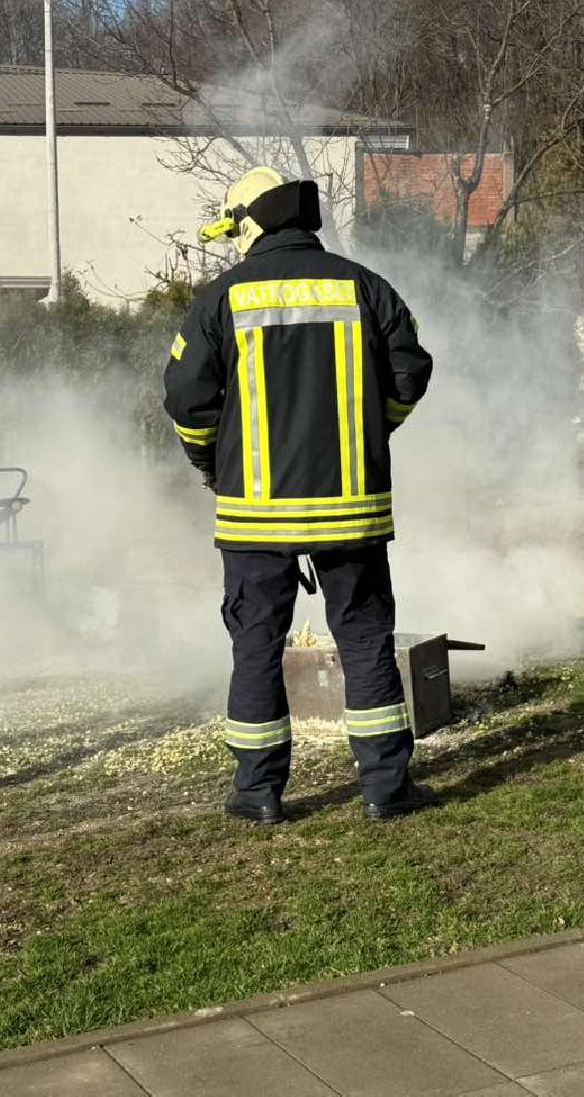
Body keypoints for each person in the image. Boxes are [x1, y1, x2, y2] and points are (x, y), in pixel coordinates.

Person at [164, 167, 435, 823]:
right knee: (365, 637)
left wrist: (212, 464)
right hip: (352, 505)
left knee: (256, 642)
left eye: (233, 229)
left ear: (251, 223)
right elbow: (409, 371)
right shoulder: (363, 285)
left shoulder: (220, 300)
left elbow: (185, 399)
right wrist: (373, 433)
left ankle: (257, 793)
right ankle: (385, 789)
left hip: (255, 514)